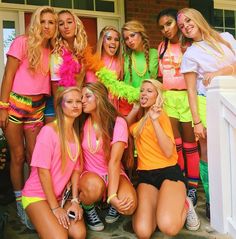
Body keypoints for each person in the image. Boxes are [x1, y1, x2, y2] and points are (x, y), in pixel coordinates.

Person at [0, 6, 57, 226]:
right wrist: (2, 107)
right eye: (43, 21)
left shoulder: (52, 49)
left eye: (51, 22)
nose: (47, 26)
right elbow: (8, 75)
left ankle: (32, 199)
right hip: (15, 104)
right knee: (17, 156)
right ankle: (18, 201)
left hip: (38, 107)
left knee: (35, 157)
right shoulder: (22, 42)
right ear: (36, 22)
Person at [177, 7, 236, 220]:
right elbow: (191, 90)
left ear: (198, 17)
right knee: (208, 154)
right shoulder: (191, 53)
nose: (186, 26)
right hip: (206, 103)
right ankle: (213, 200)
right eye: (182, 26)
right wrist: (197, 122)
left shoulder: (226, 38)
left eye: (188, 21)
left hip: (232, 98)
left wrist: (220, 72)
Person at [127, 79, 200, 238]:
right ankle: (162, 202)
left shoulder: (160, 116)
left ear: (157, 96)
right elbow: (123, 128)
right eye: (142, 90)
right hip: (146, 176)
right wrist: (135, 109)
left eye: (149, 91)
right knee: (143, 232)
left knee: (168, 227)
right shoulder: (139, 123)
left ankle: (186, 204)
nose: (144, 94)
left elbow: (168, 151)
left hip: (168, 173)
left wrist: (154, 120)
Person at [22, 86, 86, 239]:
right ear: (60, 105)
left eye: (78, 101)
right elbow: (42, 172)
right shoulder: (48, 132)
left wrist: (75, 201)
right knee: (59, 237)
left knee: (79, 234)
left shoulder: (75, 134)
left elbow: (76, 171)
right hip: (37, 195)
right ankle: (37, 218)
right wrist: (55, 208)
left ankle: (47, 222)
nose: (75, 105)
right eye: (70, 101)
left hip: (61, 196)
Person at [78, 82, 137, 231]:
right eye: (81, 97)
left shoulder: (118, 123)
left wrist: (112, 196)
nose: (82, 100)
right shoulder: (80, 122)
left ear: (99, 98)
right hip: (90, 175)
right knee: (94, 188)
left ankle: (111, 202)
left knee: (129, 206)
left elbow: (115, 161)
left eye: (87, 96)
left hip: (114, 172)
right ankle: (88, 207)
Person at [157, 8, 200, 207]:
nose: (165, 29)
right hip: (169, 98)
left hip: (188, 97)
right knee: (176, 143)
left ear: (178, 23)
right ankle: (181, 179)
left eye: (169, 24)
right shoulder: (161, 47)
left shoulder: (191, 45)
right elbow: (160, 76)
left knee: (191, 144)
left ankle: (192, 185)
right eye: (162, 27)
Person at [44, 9, 88, 123]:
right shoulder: (57, 54)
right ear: (58, 29)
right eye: (61, 24)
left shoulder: (82, 51)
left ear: (76, 24)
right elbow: (56, 90)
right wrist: (61, 117)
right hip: (58, 106)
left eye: (69, 22)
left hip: (76, 104)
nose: (66, 27)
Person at [121, 20, 158, 115]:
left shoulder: (154, 54)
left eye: (132, 35)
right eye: (126, 38)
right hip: (128, 104)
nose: (130, 40)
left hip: (148, 104)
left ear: (141, 34)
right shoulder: (124, 57)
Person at [85, 26, 123, 111]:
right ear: (102, 41)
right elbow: (90, 88)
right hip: (96, 107)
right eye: (109, 38)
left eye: (116, 40)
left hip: (113, 108)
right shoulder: (92, 61)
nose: (113, 42)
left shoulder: (120, 62)